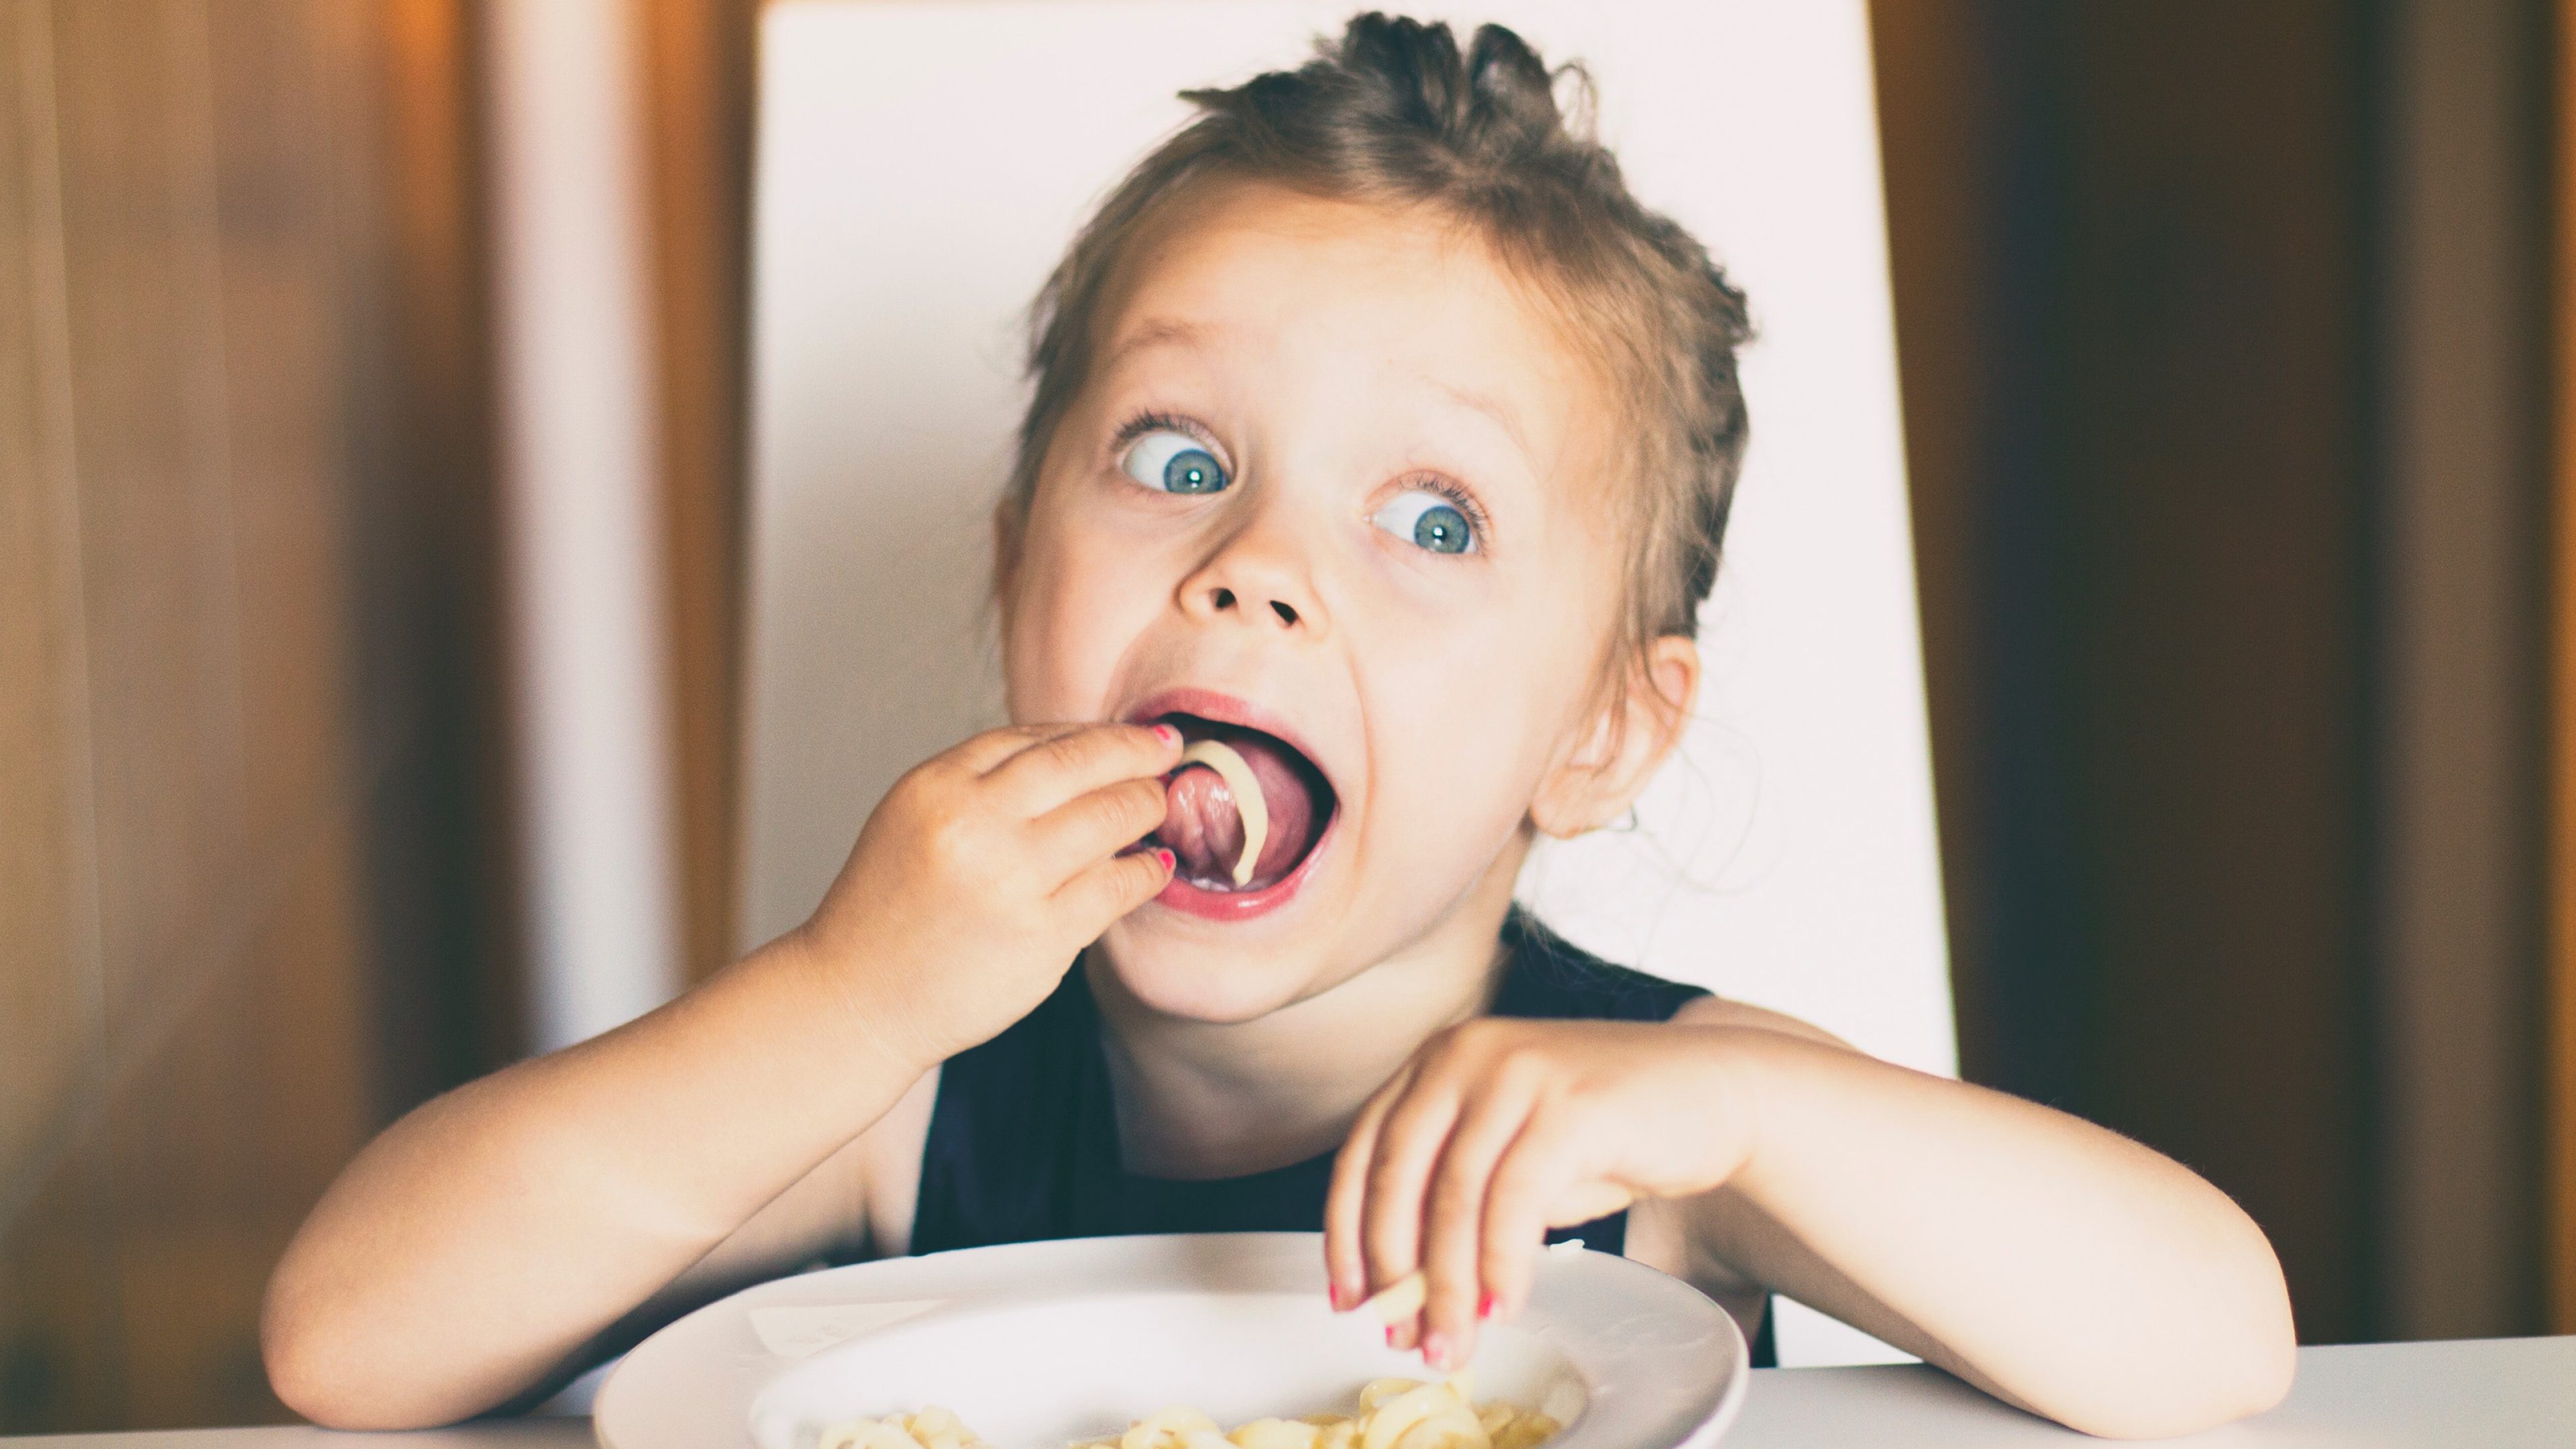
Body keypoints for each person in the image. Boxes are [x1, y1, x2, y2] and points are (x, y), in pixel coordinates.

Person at [262, 15, 2295, 1438]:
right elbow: (346, 1339)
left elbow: (2219, 1341)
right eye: (1172, 457)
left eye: (1432, 518)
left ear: (1604, 729)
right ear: (1008, 569)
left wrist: (1749, 1120)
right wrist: (837, 995)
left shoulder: (1647, 1129)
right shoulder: (909, 1093)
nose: (1253, 569)